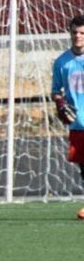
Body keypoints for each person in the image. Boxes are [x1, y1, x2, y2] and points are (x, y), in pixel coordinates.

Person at [52, 14, 84, 219]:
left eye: (82, 33)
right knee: (83, 166)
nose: (78, 36)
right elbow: (56, 90)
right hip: (78, 123)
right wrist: (60, 103)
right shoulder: (62, 62)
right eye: (74, 33)